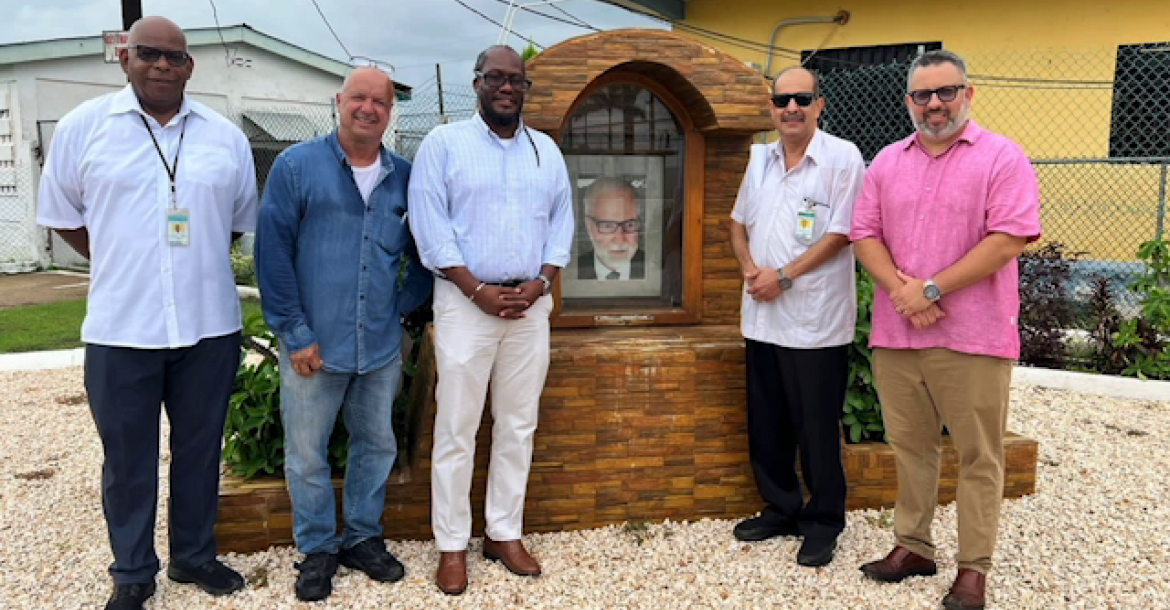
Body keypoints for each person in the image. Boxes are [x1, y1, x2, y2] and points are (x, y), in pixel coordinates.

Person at [35, 16, 257, 610]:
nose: (162, 65)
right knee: (128, 459)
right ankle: (132, 570)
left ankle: (194, 557)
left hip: (208, 326)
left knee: (200, 450)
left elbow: (236, 223)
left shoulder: (224, 137)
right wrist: (117, 253)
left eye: (174, 57)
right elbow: (62, 216)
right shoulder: (85, 129)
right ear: (125, 58)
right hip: (120, 328)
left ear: (190, 66)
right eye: (149, 54)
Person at [851, 50, 1041, 610]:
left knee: (980, 455)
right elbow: (865, 234)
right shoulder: (886, 162)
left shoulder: (1003, 157)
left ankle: (973, 569)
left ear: (968, 93)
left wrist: (929, 289)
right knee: (910, 447)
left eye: (946, 92)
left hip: (974, 337)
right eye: (921, 95)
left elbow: (1008, 238)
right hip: (899, 334)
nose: (934, 104)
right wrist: (904, 293)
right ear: (908, 100)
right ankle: (913, 546)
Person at [254, 67, 432, 602]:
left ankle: (361, 539)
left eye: (379, 101)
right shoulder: (297, 167)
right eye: (359, 97)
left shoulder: (405, 176)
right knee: (306, 454)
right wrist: (295, 332)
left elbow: (424, 256)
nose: (369, 108)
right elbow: (273, 254)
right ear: (339, 101)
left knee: (376, 444)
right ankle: (317, 549)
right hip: (314, 345)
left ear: (389, 111)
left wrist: (401, 312)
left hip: (378, 349)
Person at [407, 44, 574, 596]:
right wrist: (474, 288)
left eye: (516, 80)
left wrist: (542, 281)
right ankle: (452, 544)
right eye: (495, 78)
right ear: (476, 82)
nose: (506, 87)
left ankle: (503, 532)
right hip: (464, 304)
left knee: (518, 424)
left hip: (530, 306)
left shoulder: (545, 151)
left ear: (526, 89)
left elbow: (561, 225)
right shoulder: (443, 144)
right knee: (456, 428)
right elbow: (430, 227)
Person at [728, 67, 865, 568]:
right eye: (782, 100)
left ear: (819, 105)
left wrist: (782, 276)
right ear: (771, 107)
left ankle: (824, 521)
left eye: (801, 99)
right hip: (761, 317)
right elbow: (737, 223)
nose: (791, 108)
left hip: (815, 322)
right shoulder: (760, 159)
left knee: (815, 427)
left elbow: (841, 233)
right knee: (768, 423)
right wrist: (749, 269)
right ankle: (780, 507)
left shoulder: (841, 157)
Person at [577, 177, 644, 280]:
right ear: (589, 226)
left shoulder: (656, 270)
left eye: (630, 225)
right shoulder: (569, 273)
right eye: (608, 226)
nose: (620, 240)